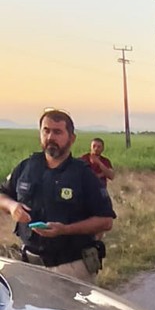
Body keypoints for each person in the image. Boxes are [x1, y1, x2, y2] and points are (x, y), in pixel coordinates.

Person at [0, 109, 114, 282]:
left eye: (58, 132)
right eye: (46, 130)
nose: (50, 137)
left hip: (71, 267)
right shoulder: (26, 167)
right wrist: (12, 206)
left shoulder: (83, 175)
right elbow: (2, 195)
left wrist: (65, 230)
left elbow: (106, 221)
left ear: (71, 138)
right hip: (30, 266)